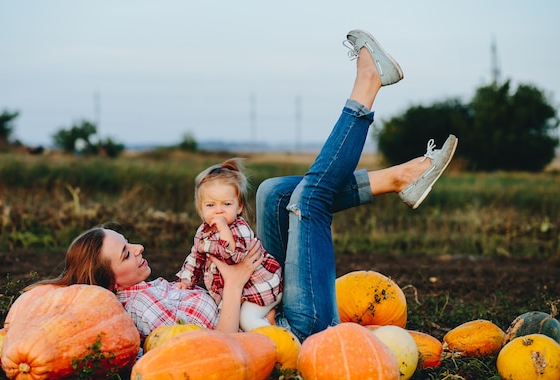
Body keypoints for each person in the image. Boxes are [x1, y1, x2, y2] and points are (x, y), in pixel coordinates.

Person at [30, 29, 457, 344]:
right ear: (110, 282)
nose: (138, 248)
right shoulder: (135, 308)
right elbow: (217, 348)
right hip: (290, 332)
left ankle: (399, 178)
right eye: (125, 253)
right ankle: (368, 86)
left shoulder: (146, 288)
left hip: (264, 294)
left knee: (272, 191)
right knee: (310, 200)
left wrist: (227, 273)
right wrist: (233, 282)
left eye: (129, 243)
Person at [175, 158, 283, 331]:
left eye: (226, 204)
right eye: (211, 205)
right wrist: (186, 280)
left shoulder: (239, 229)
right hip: (241, 291)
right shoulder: (203, 232)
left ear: (239, 207)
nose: (219, 210)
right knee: (230, 316)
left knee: (246, 320)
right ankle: (269, 316)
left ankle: (278, 341)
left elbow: (234, 256)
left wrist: (224, 229)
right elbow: (195, 257)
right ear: (201, 209)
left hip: (261, 288)